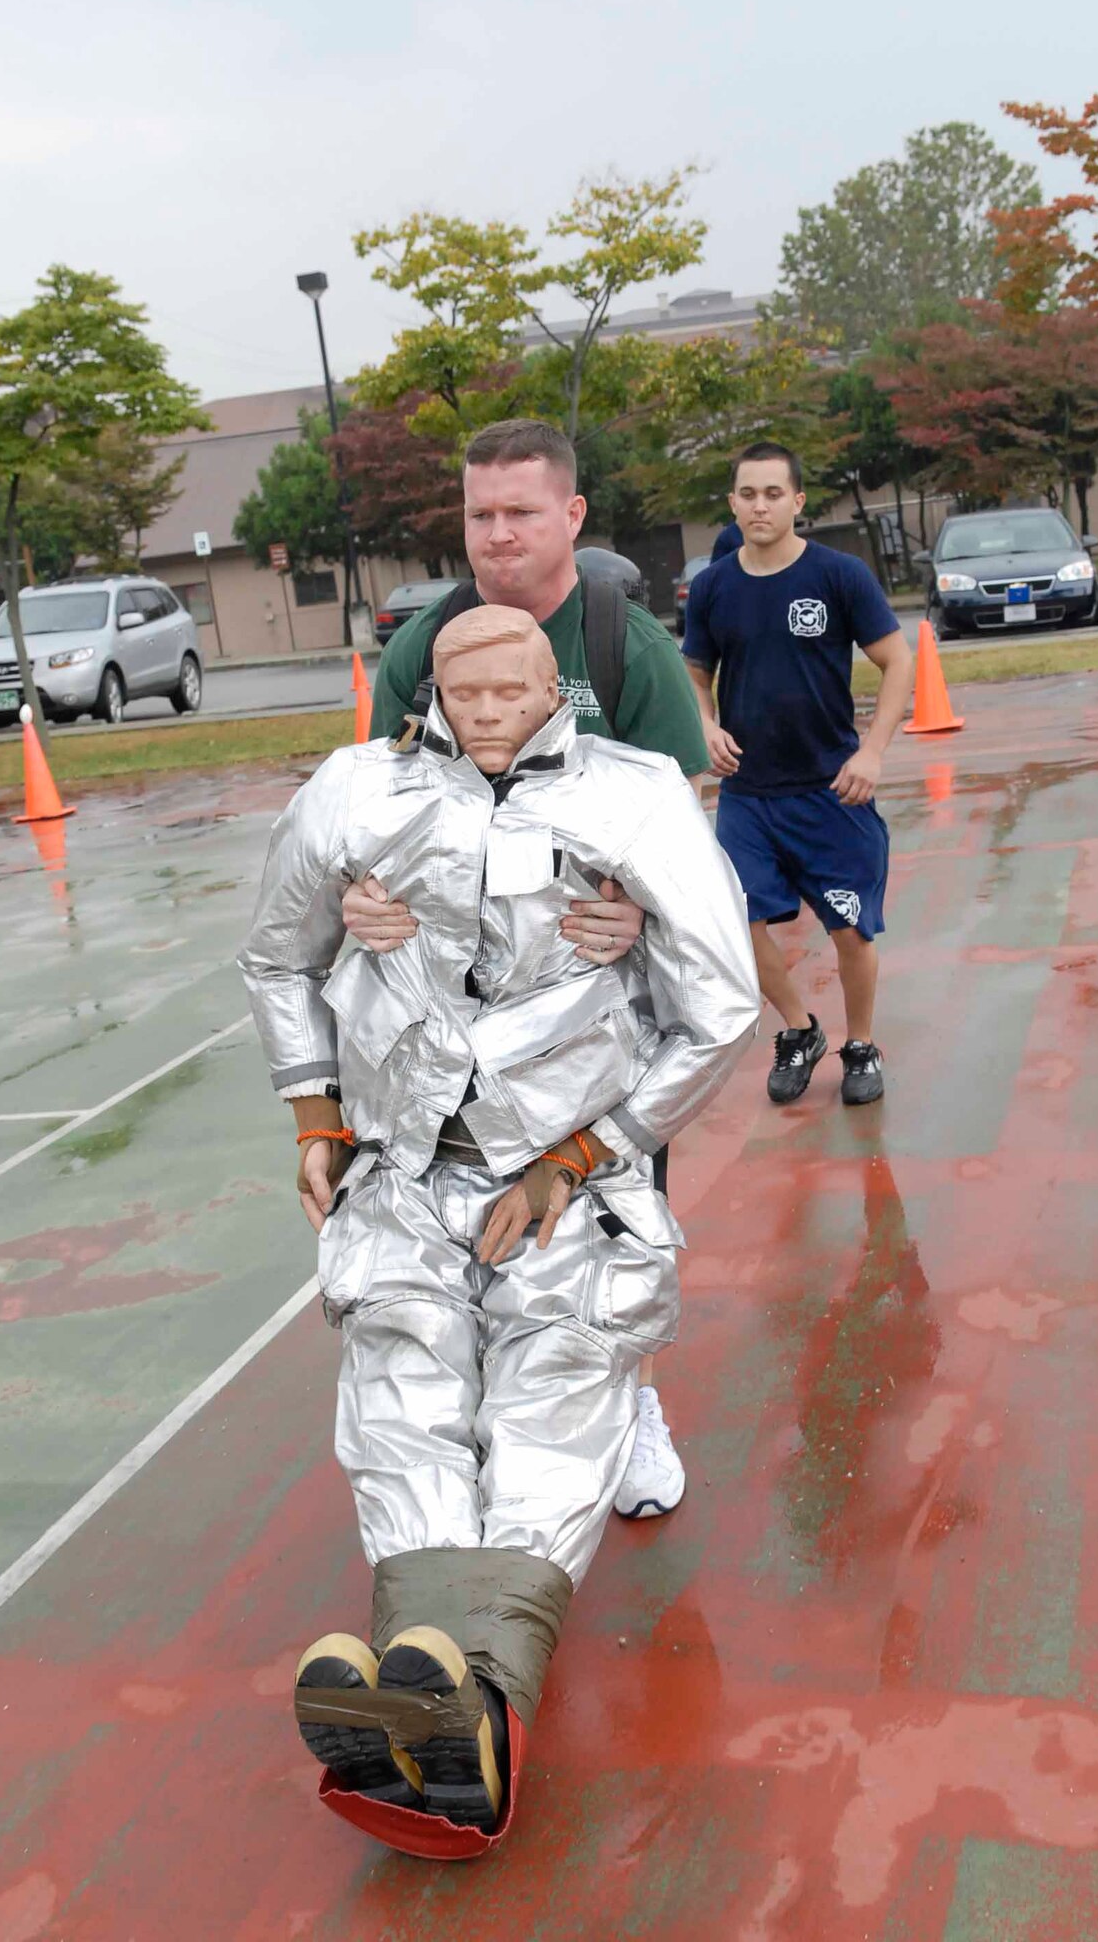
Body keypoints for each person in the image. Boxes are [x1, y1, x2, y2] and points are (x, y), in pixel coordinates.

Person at [239, 606, 757, 1855]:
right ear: (427, 689)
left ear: (552, 689)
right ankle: (441, 1684)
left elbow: (720, 1002)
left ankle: (467, 1693)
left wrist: (587, 1152)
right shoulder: (354, 792)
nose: (481, 708)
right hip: (402, 1166)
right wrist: (314, 1110)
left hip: (564, 1183)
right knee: (399, 1396)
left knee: (552, 1401)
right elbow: (275, 956)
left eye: (506, 688)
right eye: (458, 688)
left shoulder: (633, 798)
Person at [341, 418, 711, 1520]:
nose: (497, 534)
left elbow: (682, 820)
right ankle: (475, 1422)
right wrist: (361, 894)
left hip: (594, 1004)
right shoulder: (423, 648)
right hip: (457, 1010)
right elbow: (380, 804)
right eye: (478, 514)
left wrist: (639, 908)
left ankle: (629, 1401)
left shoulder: (623, 646)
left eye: (519, 512)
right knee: (450, 1215)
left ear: (571, 516)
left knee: (610, 1214)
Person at [683, 442, 915, 1107]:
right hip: (747, 796)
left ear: (797, 502)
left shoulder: (839, 576)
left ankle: (860, 1044)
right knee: (738, 924)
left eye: (773, 494)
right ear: (732, 503)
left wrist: (871, 752)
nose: (760, 506)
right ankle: (799, 1029)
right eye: (747, 494)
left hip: (829, 790)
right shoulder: (712, 587)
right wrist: (705, 724)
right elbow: (694, 671)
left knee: (850, 930)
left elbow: (898, 662)